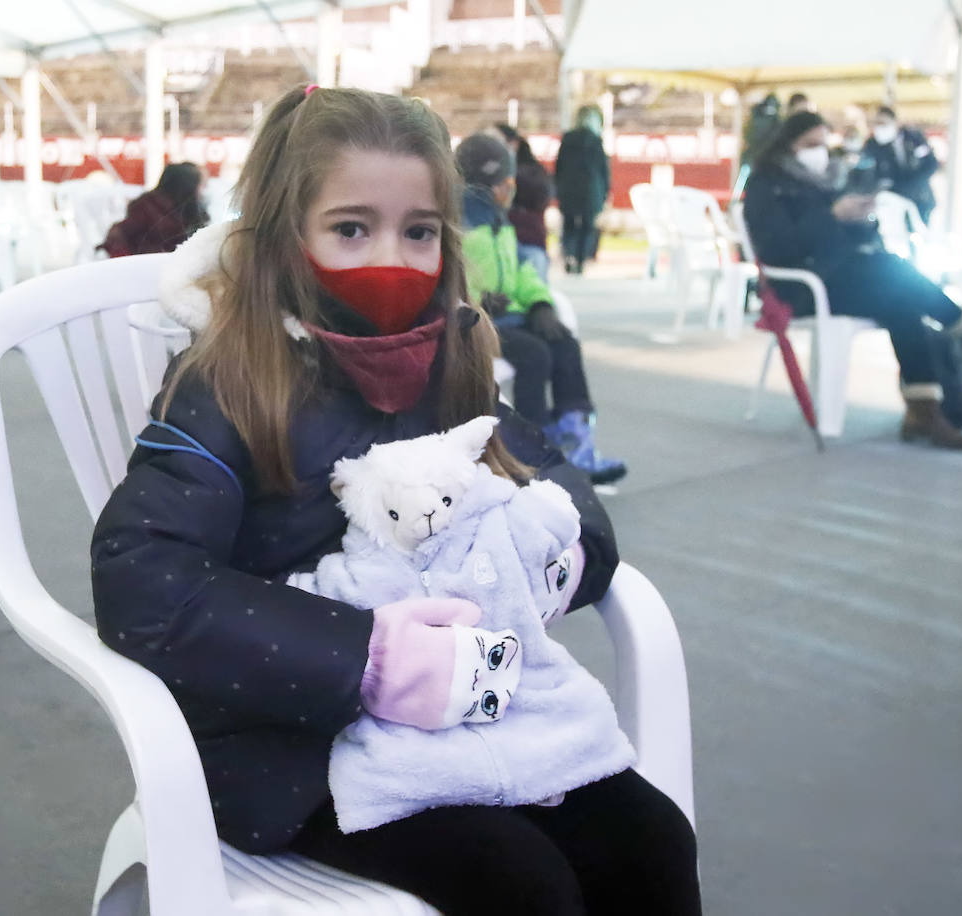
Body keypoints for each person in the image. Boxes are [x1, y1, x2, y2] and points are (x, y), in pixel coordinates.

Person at [91, 86, 699, 916]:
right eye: (351, 229)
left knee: (652, 840)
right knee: (523, 886)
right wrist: (365, 656)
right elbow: (141, 579)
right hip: (289, 742)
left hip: (464, 718)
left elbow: (564, 492)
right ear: (283, 237)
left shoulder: (448, 352)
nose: (392, 260)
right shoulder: (227, 380)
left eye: (418, 231)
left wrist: (546, 565)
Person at [743, 111, 962, 450]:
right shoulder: (765, 185)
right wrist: (830, 215)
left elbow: (845, 242)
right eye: (810, 144)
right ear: (788, 145)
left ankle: (925, 409)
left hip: (841, 277)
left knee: (901, 298)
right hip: (802, 286)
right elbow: (778, 247)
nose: (820, 151)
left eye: (823, 143)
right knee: (896, 276)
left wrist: (861, 218)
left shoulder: (827, 181)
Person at [459, 132, 627, 485]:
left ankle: (575, 435)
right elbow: (449, 276)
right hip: (476, 325)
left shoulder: (498, 221)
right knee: (535, 355)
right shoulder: (458, 222)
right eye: (505, 182)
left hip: (511, 316)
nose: (510, 189)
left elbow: (520, 269)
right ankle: (531, 452)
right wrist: (475, 301)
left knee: (563, 342)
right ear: (490, 185)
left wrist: (540, 303)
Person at [98, 161, 208, 257]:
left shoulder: (191, 210)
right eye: (201, 185)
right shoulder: (146, 207)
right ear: (186, 187)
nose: (203, 190)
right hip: (147, 269)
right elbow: (119, 236)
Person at [554, 105, 609, 274]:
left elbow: (559, 166)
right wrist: (605, 192)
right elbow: (603, 170)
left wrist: (559, 186)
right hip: (591, 190)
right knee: (586, 226)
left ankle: (569, 255)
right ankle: (580, 259)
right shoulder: (595, 140)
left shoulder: (567, 138)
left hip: (568, 188)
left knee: (569, 224)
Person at [861, 105, 939, 223]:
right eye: (877, 123)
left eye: (883, 123)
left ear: (895, 123)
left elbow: (931, 164)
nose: (879, 128)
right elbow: (869, 171)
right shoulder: (873, 146)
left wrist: (914, 183)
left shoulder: (913, 139)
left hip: (920, 198)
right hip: (891, 202)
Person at [495, 123, 553, 278]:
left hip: (527, 242)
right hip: (499, 246)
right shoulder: (482, 174)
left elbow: (541, 197)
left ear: (513, 143)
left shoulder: (532, 173)